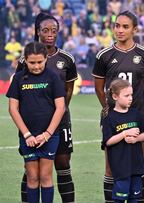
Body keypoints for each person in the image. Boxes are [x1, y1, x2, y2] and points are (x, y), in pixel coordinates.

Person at [92, 10, 144, 203]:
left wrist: (134, 110)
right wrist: (111, 111)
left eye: (125, 27)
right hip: (112, 117)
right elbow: (99, 89)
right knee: (111, 167)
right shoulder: (104, 55)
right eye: (117, 26)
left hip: (137, 116)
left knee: (137, 164)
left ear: (134, 30)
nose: (120, 30)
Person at [16, 13, 77, 203]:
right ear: (38, 32)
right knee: (32, 167)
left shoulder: (66, 59)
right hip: (33, 122)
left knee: (62, 163)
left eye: (54, 31)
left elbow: (68, 90)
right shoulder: (25, 60)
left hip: (60, 120)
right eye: (45, 30)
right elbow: (20, 91)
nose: (50, 34)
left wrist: (57, 114)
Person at [7, 41, 66, 203]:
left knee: (46, 176)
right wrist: (27, 134)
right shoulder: (19, 78)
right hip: (28, 137)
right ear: (25, 60)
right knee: (32, 177)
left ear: (46, 59)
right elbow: (13, 108)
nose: (36, 66)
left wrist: (47, 134)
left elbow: (60, 108)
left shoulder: (53, 77)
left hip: (49, 136)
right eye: (32, 62)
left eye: (40, 62)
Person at [102, 79, 144, 203]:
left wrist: (136, 139)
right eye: (126, 95)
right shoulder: (109, 118)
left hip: (136, 166)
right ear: (115, 96)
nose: (130, 98)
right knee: (120, 199)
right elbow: (108, 142)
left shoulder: (136, 114)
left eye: (131, 95)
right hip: (121, 168)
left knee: (135, 198)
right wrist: (125, 133)